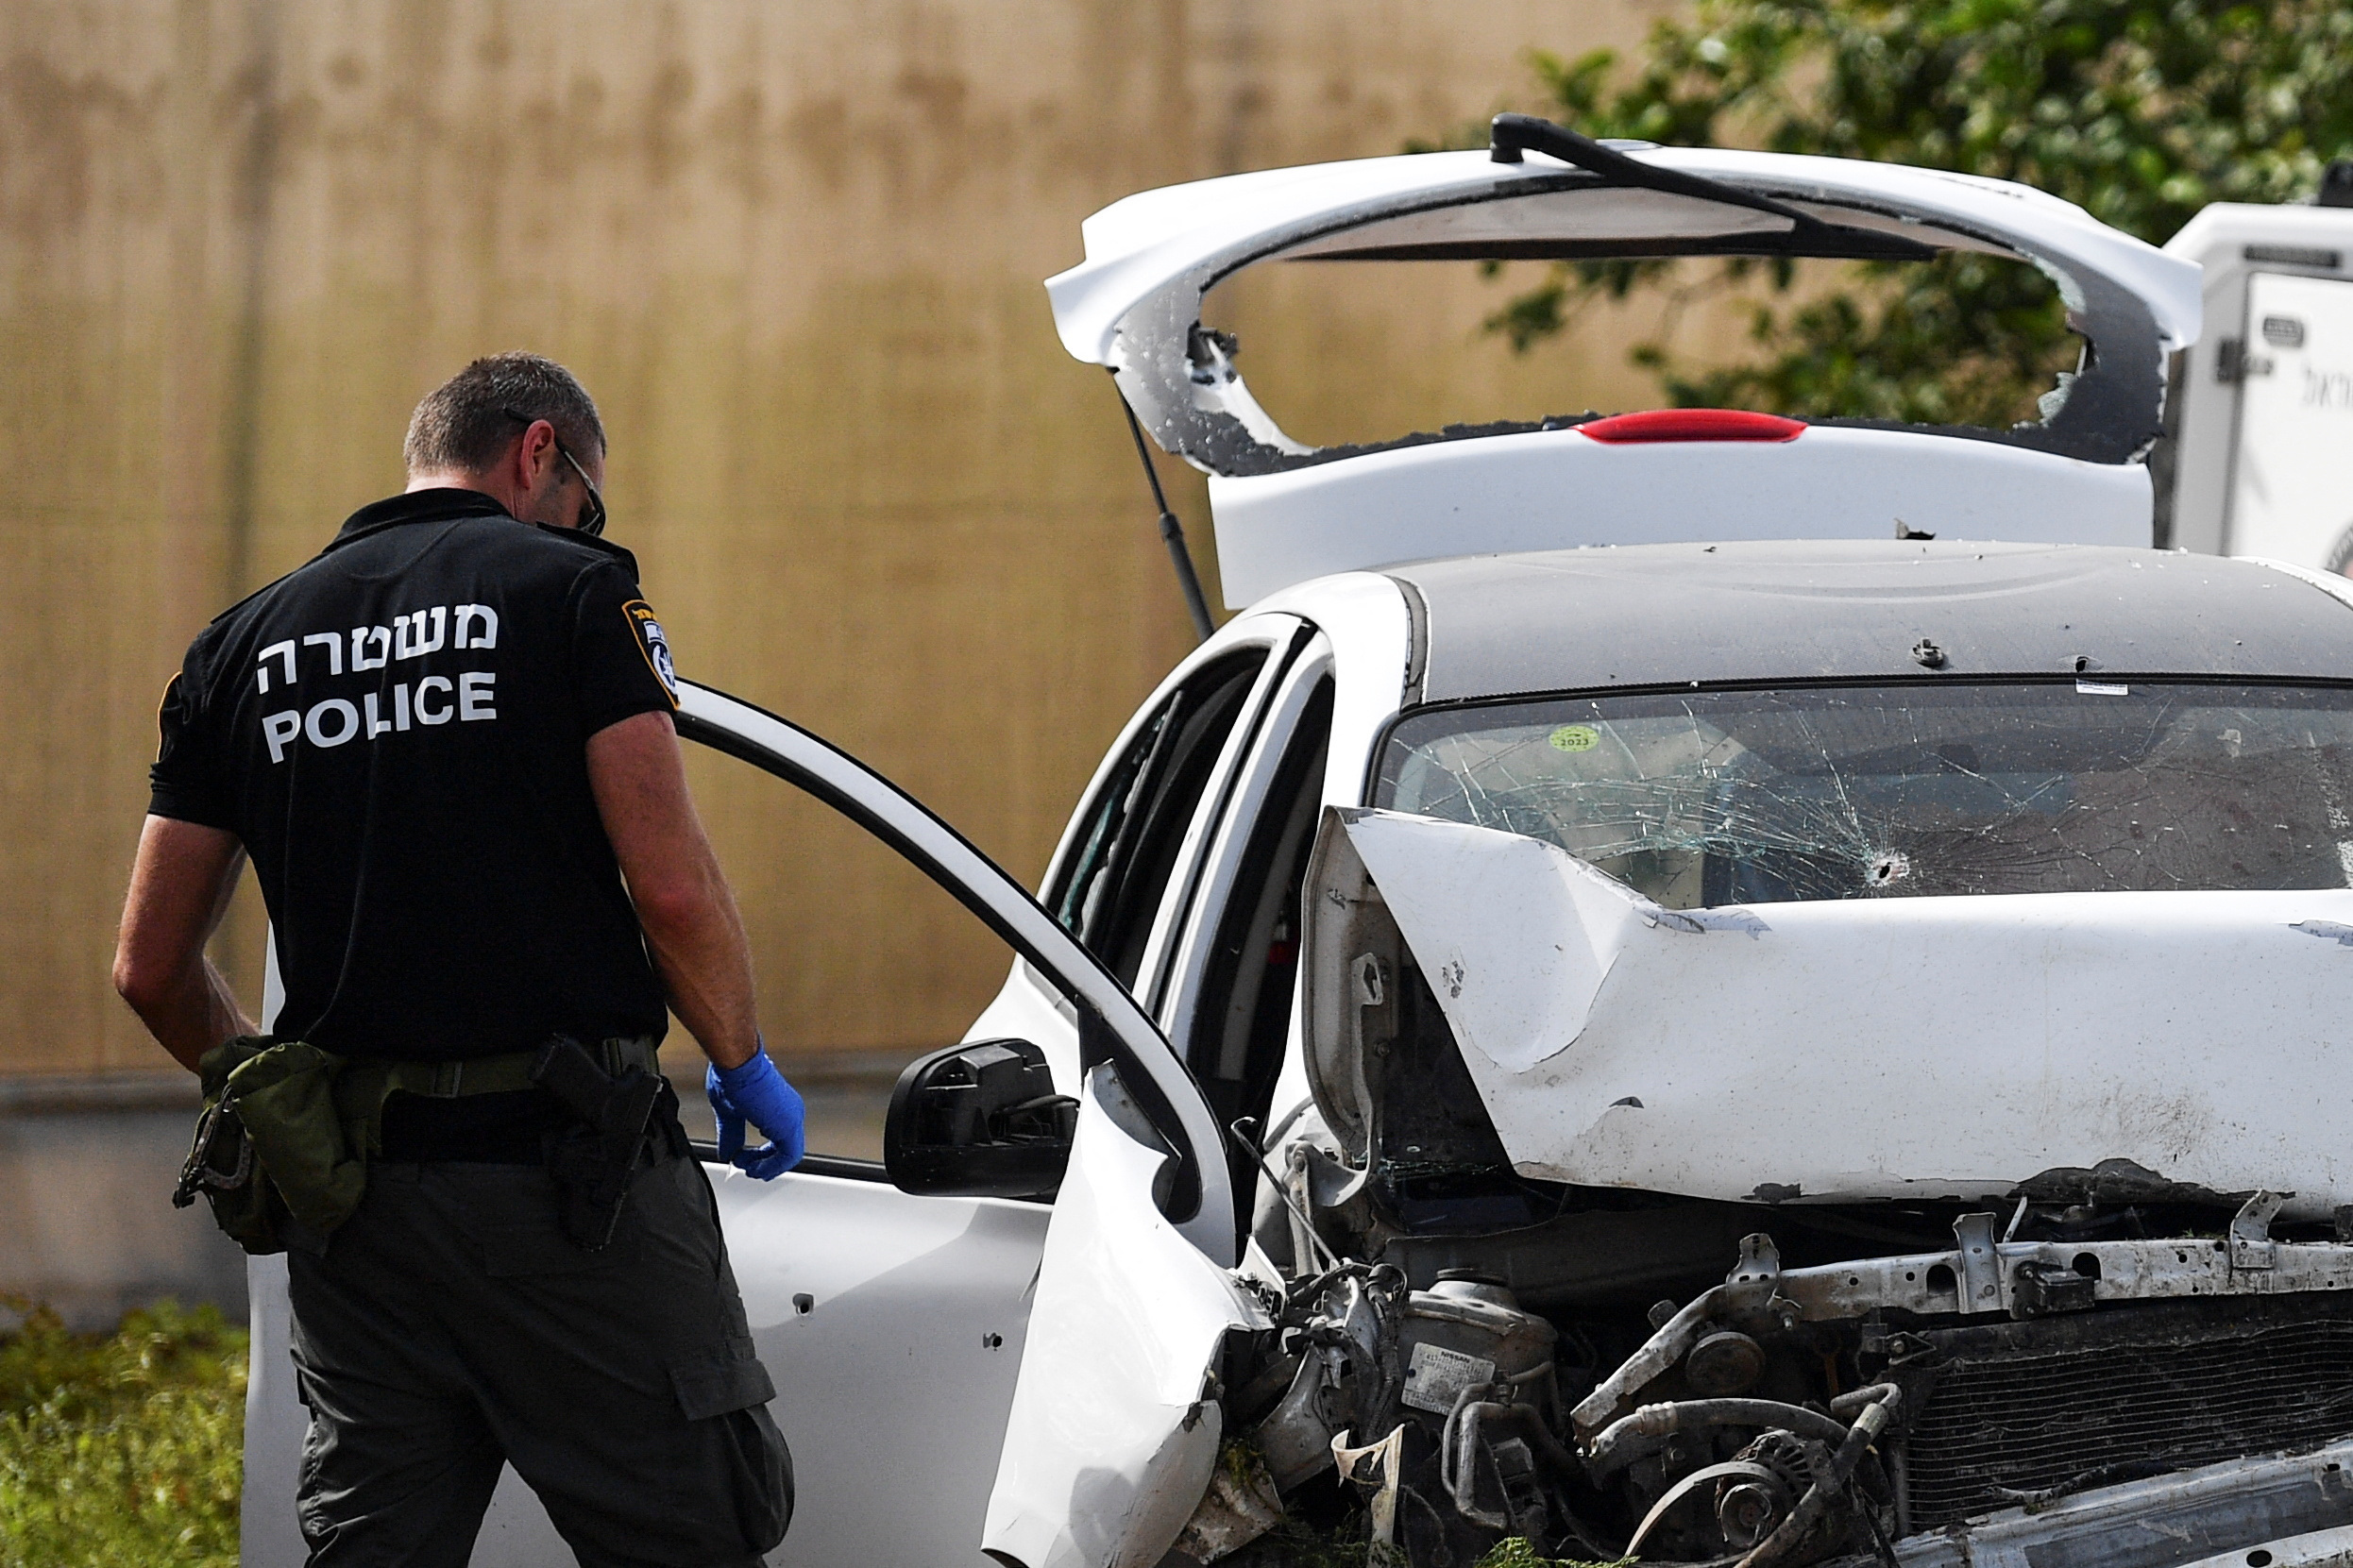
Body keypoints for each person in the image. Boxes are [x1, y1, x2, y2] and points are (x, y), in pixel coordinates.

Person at [111, 351, 806, 1568]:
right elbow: (674, 886)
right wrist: (742, 1061)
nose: (587, 526)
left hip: (360, 1222)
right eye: (588, 499)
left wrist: (264, 1091)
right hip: (569, 1191)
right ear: (538, 452)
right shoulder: (574, 596)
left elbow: (150, 965)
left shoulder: (239, 647)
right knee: (698, 1527)